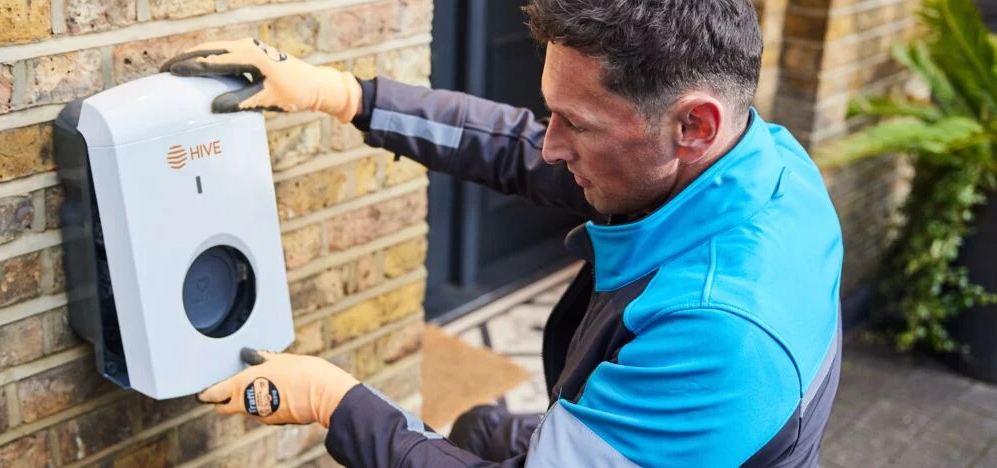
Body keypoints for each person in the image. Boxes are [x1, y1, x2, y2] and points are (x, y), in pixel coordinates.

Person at [161, 0, 844, 466]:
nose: (550, 146)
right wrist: (341, 95)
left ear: (694, 125)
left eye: (576, 124)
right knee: (481, 429)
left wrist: (334, 404)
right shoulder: (760, 164)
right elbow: (518, 149)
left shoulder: (720, 334)